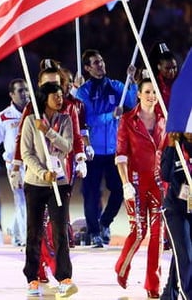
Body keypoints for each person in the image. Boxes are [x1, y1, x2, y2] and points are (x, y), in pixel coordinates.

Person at [75, 49, 137, 247]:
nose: (100, 65)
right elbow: (87, 119)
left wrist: (132, 81)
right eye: (95, 63)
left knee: (119, 190)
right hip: (92, 151)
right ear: (87, 68)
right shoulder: (84, 91)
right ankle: (94, 232)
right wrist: (111, 115)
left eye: (101, 61)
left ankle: (104, 223)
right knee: (91, 194)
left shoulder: (116, 86)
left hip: (113, 151)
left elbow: (131, 102)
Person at [22, 81, 77, 298]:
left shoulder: (65, 119)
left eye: (61, 95)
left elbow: (67, 146)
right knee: (34, 231)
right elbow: (27, 153)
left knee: (60, 231)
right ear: (45, 98)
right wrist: (42, 173)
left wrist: (48, 132)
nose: (60, 99)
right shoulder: (29, 121)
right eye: (56, 95)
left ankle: (64, 277)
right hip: (36, 184)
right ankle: (32, 277)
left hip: (59, 183)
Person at [115, 72, 166, 298]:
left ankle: (152, 286)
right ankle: (121, 268)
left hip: (158, 183)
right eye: (147, 92)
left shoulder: (165, 117)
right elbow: (121, 155)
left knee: (157, 234)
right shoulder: (128, 120)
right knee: (139, 232)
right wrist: (126, 183)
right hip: (135, 183)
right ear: (138, 95)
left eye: (154, 92)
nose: (151, 96)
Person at [0, 78, 29, 246]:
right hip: (15, 167)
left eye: (26, 89)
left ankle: (18, 235)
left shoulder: (36, 112)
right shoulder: (3, 117)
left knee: (32, 200)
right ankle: (26, 238)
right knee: (22, 199)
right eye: (20, 90)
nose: (25, 93)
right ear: (11, 95)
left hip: (35, 164)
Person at [160, 131, 192, 300]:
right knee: (186, 255)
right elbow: (165, 174)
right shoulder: (176, 146)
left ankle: (169, 293)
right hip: (176, 210)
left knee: (183, 253)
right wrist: (172, 146)